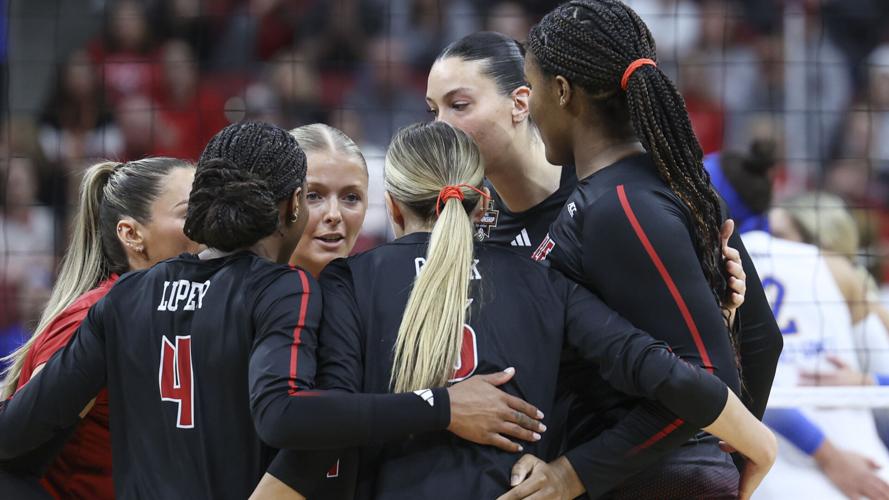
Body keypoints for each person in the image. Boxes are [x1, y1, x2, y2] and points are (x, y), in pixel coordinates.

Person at [0, 122, 544, 498]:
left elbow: (14, 435)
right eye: (313, 197)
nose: (330, 217)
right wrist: (440, 404)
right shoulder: (285, 291)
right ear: (290, 207)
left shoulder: (125, 297)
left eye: (352, 197)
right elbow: (291, 416)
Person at [261, 122, 776, 499]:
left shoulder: (346, 283)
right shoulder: (542, 278)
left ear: (391, 205)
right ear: (484, 204)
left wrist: (433, 407)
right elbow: (674, 377)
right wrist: (759, 444)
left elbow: (324, 432)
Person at [520, 1, 782, 497]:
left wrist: (576, 473)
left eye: (531, 88)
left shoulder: (618, 205)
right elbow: (762, 341)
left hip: (650, 482)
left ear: (561, 92)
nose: (529, 106)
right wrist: (730, 452)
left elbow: (706, 378)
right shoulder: (678, 183)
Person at [0, 157, 199, 499]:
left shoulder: (188, 309)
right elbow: (12, 442)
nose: (208, 223)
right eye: (189, 213)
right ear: (132, 234)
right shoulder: (89, 317)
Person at [708, 148, 889, 500]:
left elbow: (751, 390)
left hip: (777, 480)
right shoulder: (836, 268)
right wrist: (869, 381)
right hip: (873, 473)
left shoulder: (712, 270)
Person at [288, 124, 368, 277]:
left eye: (351, 197)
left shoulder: (383, 295)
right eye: (312, 196)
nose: (334, 214)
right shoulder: (241, 293)